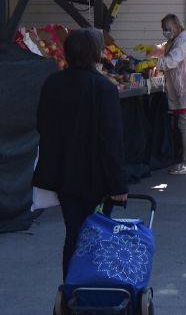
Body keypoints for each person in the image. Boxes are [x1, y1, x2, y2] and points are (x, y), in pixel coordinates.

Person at [33, 29, 128, 277]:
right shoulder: (103, 88)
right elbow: (112, 140)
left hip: (63, 174)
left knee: (73, 232)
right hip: (97, 178)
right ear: (95, 54)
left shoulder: (52, 84)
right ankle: (95, 289)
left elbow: (42, 125)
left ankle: (72, 291)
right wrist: (118, 184)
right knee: (97, 232)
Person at [150, 13, 186, 174]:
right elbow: (168, 48)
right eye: (164, 29)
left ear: (176, 27)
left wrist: (155, 62)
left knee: (185, 125)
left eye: (168, 29)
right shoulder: (180, 39)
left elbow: (172, 59)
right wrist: (157, 50)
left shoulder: (183, 41)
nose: (166, 32)